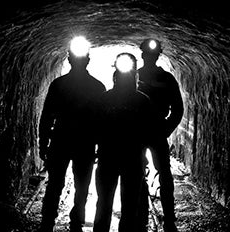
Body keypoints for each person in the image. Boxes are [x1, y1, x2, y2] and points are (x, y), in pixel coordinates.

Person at [38, 36, 106, 232]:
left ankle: (47, 222)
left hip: (61, 140)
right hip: (84, 143)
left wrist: (44, 143)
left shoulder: (58, 85)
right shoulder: (97, 87)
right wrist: (99, 148)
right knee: (82, 187)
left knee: (55, 184)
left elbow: (47, 116)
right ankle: (76, 222)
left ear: (69, 59)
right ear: (87, 60)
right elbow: (101, 122)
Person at [93, 53, 158, 232]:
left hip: (116, 159)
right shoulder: (140, 100)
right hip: (126, 159)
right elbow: (96, 127)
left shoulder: (108, 99)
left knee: (114, 205)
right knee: (119, 205)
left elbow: (149, 130)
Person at [137, 38, 184, 232]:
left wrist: (166, 128)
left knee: (164, 173)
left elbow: (177, 108)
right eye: (148, 54)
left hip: (155, 130)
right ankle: (141, 211)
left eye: (151, 54)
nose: (149, 57)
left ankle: (168, 214)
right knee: (139, 172)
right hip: (139, 131)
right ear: (143, 55)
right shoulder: (133, 75)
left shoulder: (166, 79)